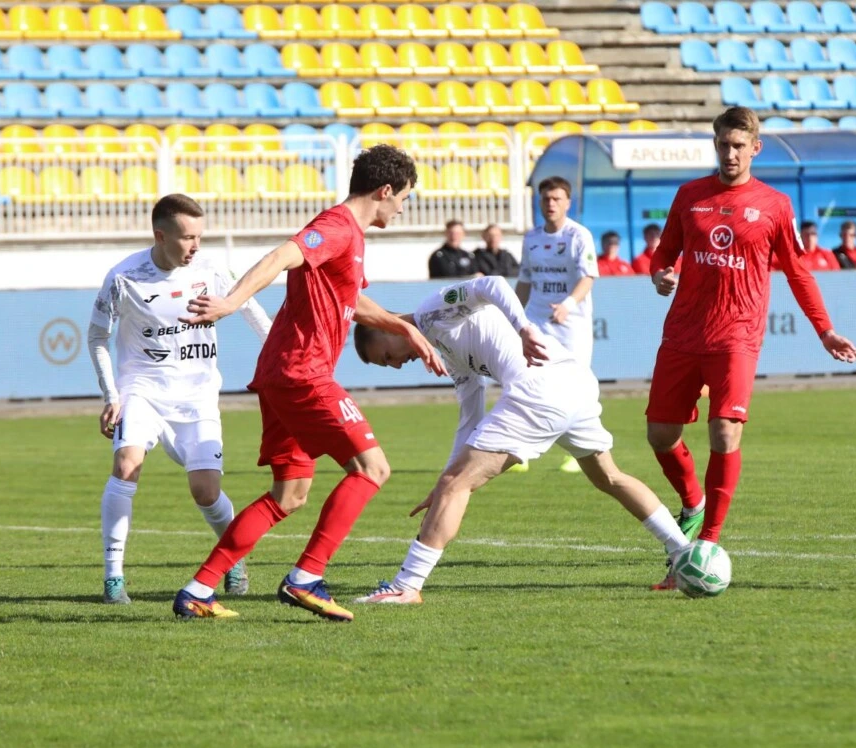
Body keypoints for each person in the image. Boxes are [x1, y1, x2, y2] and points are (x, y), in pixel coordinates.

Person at [172, 145, 446, 621]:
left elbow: (351, 302)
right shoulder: (337, 226)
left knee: (290, 494)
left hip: (282, 374)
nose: (402, 208)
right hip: (302, 372)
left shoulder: (351, 238)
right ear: (385, 191)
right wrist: (231, 303)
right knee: (373, 469)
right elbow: (282, 255)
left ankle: (198, 590)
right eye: (403, 198)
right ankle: (306, 578)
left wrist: (404, 328)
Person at [351, 276, 692, 603]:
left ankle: (406, 586)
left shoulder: (430, 312)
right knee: (610, 477)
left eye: (387, 357)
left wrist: (523, 327)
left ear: (386, 327)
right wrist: (444, 482)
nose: (396, 366)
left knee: (456, 485)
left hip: (539, 391)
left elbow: (492, 284)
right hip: (574, 385)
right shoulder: (445, 348)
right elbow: (470, 417)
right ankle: (686, 554)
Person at [646, 107, 856, 589]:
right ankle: (693, 501)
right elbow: (665, 252)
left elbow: (798, 272)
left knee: (725, 433)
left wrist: (825, 330)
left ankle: (707, 542)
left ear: (755, 148)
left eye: (739, 146)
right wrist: (660, 274)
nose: (730, 154)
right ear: (715, 145)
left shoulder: (774, 205)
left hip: (737, 336)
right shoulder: (690, 195)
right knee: (660, 435)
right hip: (683, 333)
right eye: (724, 145)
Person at [89, 194, 272, 605]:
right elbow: (97, 336)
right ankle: (113, 577)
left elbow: (253, 312)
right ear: (160, 236)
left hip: (197, 395)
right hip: (143, 390)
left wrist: (285, 359)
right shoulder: (124, 277)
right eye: (188, 237)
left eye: (200, 236)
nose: (196, 246)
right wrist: (111, 394)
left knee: (205, 491)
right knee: (126, 465)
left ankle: (232, 558)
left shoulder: (211, 269)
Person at [516, 176, 599, 473]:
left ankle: (579, 453)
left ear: (567, 203)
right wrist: (514, 316)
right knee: (528, 382)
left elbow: (588, 277)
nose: (550, 204)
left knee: (577, 385)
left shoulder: (578, 235)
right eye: (546, 199)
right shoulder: (531, 238)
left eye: (556, 199)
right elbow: (525, 280)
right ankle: (521, 452)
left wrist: (568, 304)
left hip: (571, 324)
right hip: (538, 321)